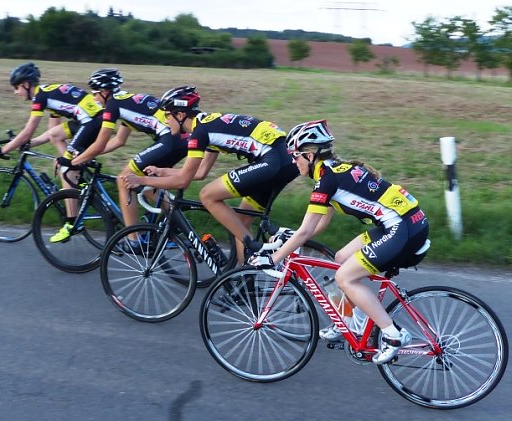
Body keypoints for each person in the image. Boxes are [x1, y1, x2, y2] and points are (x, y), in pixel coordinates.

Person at [250, 119, 430, 364]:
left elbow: (306, 232)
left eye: (296, 156)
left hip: (402, 229)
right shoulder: (334, 170)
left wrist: (272, 259)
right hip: (403, 223)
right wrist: (287, 238)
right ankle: (349, 323)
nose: (294, 161)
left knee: (345, 277)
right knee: (342, 259)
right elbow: (317, 225)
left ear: (310, 154)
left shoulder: (327, 180)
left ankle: (393, 334)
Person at [122, 86, 300, 261]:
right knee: (241, 221)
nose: (165, 120)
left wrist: (141, 180)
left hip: (272, 160)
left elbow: (183, 182)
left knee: (207, 196)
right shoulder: (207, 125)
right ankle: (244, 279)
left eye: (167, 115)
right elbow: (199, 173)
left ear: (180, 115)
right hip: (285, 161)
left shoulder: (199, 133)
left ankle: (258, 248)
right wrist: (162, 171)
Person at [52, 69, 187, 243]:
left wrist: (72, 162)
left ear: (105, 92)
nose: (94, 99)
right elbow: (119, 141)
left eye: (95, 94)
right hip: (179, 140)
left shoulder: (113, 105)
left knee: (124, 179)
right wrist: (85, 156)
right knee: (149, 183)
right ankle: (178, 221)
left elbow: (100, 143)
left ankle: (133, 240)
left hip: (169, 140)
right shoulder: (124, 100)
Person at [0, 62, 104, 205]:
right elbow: (52, 133)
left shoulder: (40, 97)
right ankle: (80, 178)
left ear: (26, 85)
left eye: (16, 87)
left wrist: (3, 150)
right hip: (92, 120)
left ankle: (72, 223)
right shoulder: (47, 93)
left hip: (92, 122)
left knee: (65, 169)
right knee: (57, 139)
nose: (16, 92)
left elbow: (28, 131)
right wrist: (29, 143)